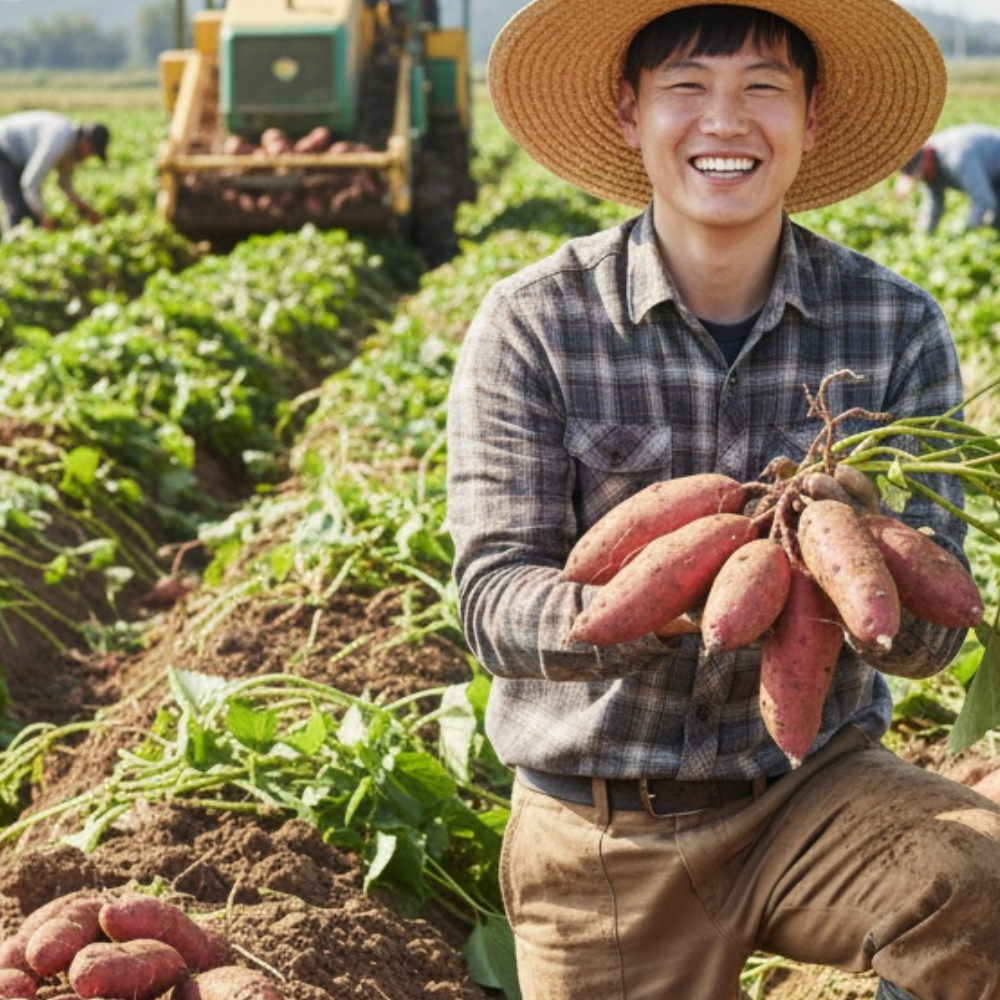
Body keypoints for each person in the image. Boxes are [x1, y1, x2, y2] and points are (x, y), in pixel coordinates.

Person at [446, 2, 1000, 1000]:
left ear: (811, 117)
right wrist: (662, 600)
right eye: (687, 88)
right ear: (629, 112)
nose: (724, 122)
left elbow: (930, 638)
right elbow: (491, 599)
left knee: (982, 882)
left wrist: (856, 551)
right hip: (602, 821)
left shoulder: (895, 324)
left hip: (814, 791)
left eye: (761, 89)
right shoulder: (535, 323)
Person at [0, 110, 109, 236]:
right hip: (3, 146)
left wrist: (85, 209)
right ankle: (13, 243)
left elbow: (65, 184)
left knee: (32, 214)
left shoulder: (72, 149)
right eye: (91, 151)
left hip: (18, 154)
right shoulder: (58, 141)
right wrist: (44, 217)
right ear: (85, 141)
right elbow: (30, 184)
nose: (89, 156)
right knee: (19, 209)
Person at [897, 122, 1000, 235]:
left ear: (924, 162)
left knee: (995, 221)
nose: (919, 179)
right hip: (992, 172)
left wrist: (967, 234)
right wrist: (923, 235)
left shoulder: (957, 158)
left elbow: (983, 200)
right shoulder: (929, 164)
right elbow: (933, 204)